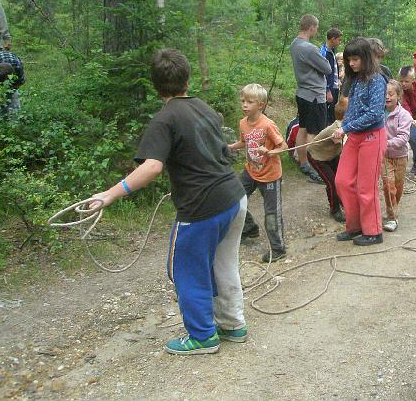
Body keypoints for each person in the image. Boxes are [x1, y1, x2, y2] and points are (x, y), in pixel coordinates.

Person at [90, 48, 249, 355]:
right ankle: (232, 324)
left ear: (155, 86)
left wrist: (108, 195)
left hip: (202, 208)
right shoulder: (204, 107)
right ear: (187, 79)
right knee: (223, 263)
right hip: (234, 197)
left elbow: (152, 166)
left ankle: (203, 336)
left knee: (186, 269)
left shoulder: (164, 119)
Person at [333, 37, 387, 246]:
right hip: (354, 136)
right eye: (349, 60)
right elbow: (351, 107)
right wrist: (343, 127)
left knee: (366, 186)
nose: (352, 63)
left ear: (365, 57)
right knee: (343, 181)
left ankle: (373, 231)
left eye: (356, 59)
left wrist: (345, 128)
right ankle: (354, 225)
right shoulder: (355, 78)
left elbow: (374, 113)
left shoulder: (377, 79)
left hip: (372, 137)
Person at [229, 84, 289, 263]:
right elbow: (244, 142)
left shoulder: (268, 125)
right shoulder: (242, 123)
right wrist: (231, 147)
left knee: (271, 214)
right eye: (243, 101)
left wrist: (271, 152)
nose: (244, 105)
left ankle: (278, 249)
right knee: (234, 198)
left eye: (249, 102)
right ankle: (249, 228)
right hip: (250, 170)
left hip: (270, 174)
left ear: (261, 105)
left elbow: (283, 146)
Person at [290, 14, 332, 183]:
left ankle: (304, 163)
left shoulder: (294, 44)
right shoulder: (309, 48)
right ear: (312, 27)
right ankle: (317, 169)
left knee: (303, 128)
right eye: (316, 28)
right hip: (314, 96)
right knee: (314, 134)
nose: (317, 31)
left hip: (302, 93)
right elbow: (327, 68)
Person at [307, 96, 348, 223]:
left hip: (331, 155)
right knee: (333, 183)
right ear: (347, 115)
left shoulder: (345, 124)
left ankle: (341, 200)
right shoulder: (336, 129)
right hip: (318, 157)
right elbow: (343, 142)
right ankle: (334, 209)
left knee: (339, 180)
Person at [381, 80, 411, 233]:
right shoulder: (378, 113)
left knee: (397, 187)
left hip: (400, 156)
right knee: (388, 185)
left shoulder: (404, 115)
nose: (387, 97)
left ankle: (393, 208)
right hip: (385, 157)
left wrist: (386, 143)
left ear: (398, 96)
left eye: (391, 94)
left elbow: (403, 138)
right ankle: (392, 217)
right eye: (384, 94)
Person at [320, 27, 343, 124]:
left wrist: (337, 80)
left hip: (335, 87)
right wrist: (327, 90)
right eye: (339, 39)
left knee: (333, 111)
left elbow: (334, 68)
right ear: (333, 39)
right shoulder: (324, 52)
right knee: (328, 113)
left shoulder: (332, 51)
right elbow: (324, 73)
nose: (340, 42)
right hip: (329, 89)